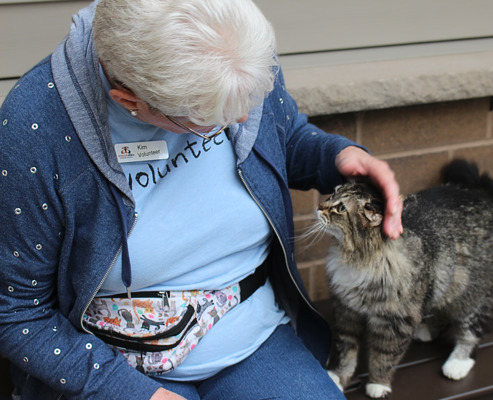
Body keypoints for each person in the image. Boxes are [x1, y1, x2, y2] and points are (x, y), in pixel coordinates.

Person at [0, 0, 403, 398]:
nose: (243, 119)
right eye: (213, 120)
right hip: (113, 359)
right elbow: (16, 313)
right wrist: (129, 392)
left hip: (250, 329)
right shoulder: (34, 130)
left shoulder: (235, 49)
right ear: (131, 103)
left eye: (249, 100)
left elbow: (285, 137)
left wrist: (338, 157)